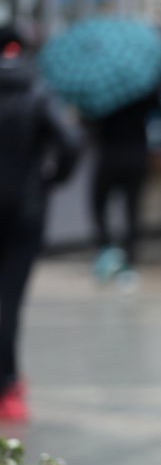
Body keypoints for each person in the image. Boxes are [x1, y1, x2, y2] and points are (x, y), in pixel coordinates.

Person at [0, 24, 81, 420]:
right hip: (25, 210)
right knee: (9, 299)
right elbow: (70, 141)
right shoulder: (37, 89)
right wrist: (51, 179)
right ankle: (9, 387)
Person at [89, 90, 161, 283]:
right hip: (136, 155)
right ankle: (129, 256)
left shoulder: (101, 92)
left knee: (99, 204)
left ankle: (106, 249)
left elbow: (92, 121)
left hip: (110, 155)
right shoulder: (143, 88)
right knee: (132, 209)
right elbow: (158, 116)